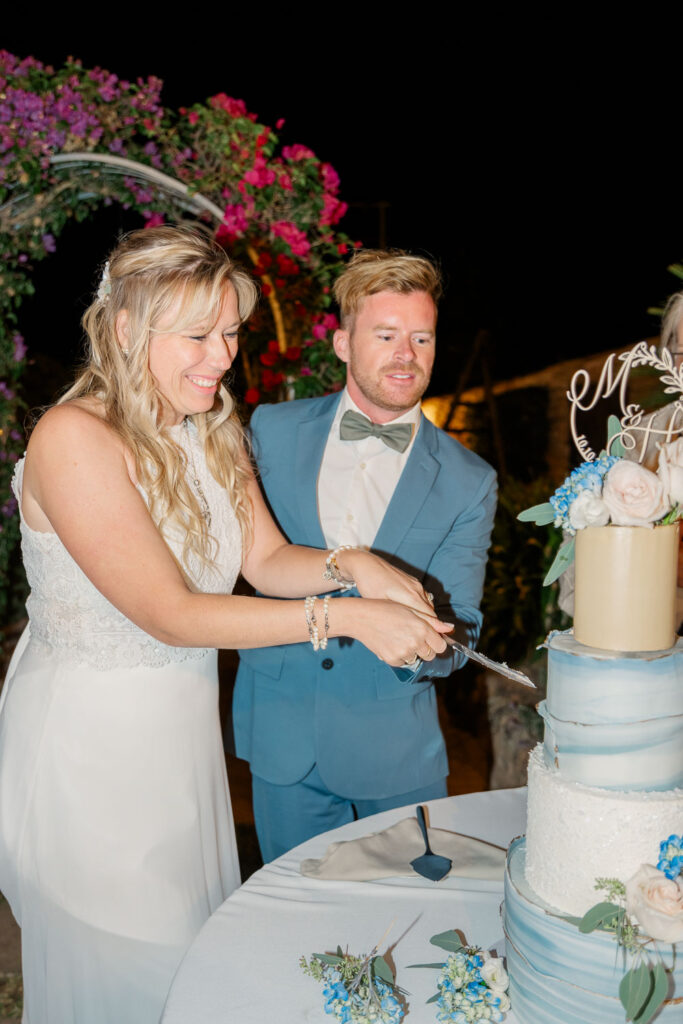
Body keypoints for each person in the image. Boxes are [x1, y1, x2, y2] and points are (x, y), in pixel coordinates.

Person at [0, 227, 452, 1024]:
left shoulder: (209, 425)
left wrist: (359, 564)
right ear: (125, 329)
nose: (221, 357)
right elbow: (171, 614)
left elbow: (268, 559)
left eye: (230, 333)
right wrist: (346, 616)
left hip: (176, 752)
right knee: (123, 974)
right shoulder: (72, 439)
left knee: (189, 966)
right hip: (89, 756)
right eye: (198, 336)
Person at [234, 248, 497, 862]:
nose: (406, 355)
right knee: (292, 927)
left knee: (410, 931)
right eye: (385, 334)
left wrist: (420, 645)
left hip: (395, 753)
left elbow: (466, 626)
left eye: (422, 338)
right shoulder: (270, 429)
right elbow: (247, 561)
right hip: (282, 732)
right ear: (343, 343)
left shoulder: (470, 478)